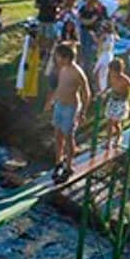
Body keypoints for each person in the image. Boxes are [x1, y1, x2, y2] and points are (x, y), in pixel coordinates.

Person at [46, 43, 90, 181]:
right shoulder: (63, 69)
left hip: (70, 108)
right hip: (59, 105)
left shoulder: (78, 72)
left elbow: (87, 93)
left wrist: (83, 112)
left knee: (68, 137)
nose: (56, 58)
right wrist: (51, 101)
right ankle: (58, 162)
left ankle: (69, 166)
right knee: (57, 135)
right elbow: (60, 87)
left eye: (58, 56)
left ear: (65, 57)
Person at [102, 58, 130, 151]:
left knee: (116, 123)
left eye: (113, 71)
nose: (111, 72)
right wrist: (103, 92)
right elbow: (109, 86)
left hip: (121, 101)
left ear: (118, 71)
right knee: (109, 121)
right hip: (113, 100)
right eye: (110, 70)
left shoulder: (124, 79)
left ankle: (119, 137)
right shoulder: (110, 76)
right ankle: (108, 142)